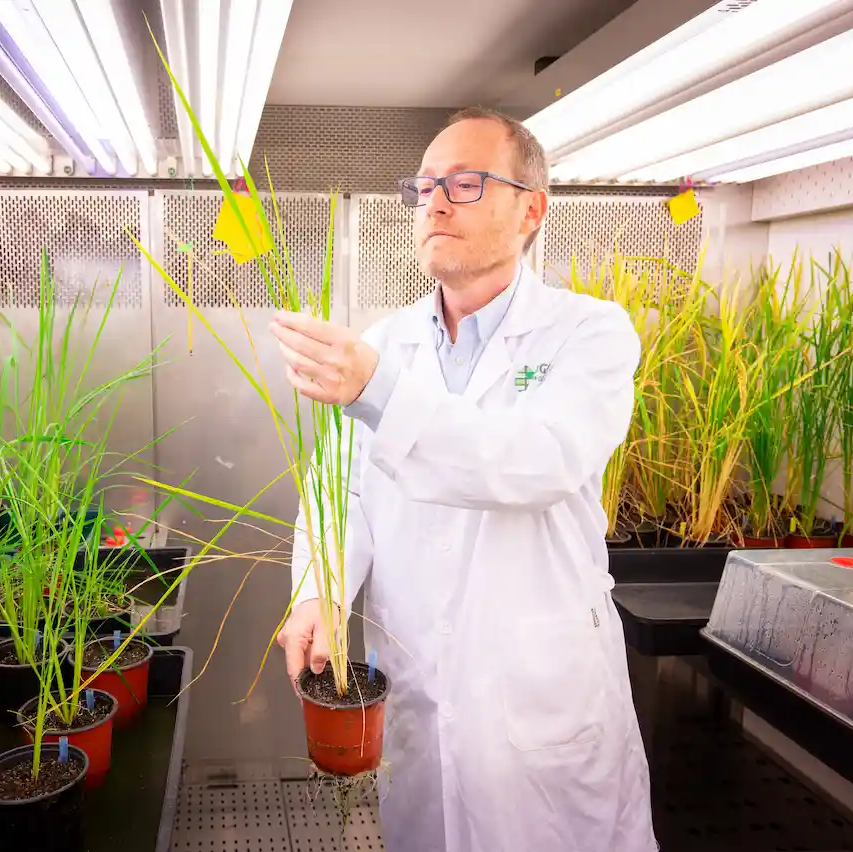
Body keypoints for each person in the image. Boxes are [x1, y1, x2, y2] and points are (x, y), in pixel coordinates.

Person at [270, 107, 657, 852]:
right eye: (424, 186)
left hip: (539, 697)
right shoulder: (387, 345)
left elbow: (537, 460)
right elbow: (339, 491)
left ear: (531, 209)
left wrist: (376, 392)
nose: (436, 201)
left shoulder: (591, 333)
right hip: (419, 690)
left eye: (466, 182)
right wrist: (321, 588)